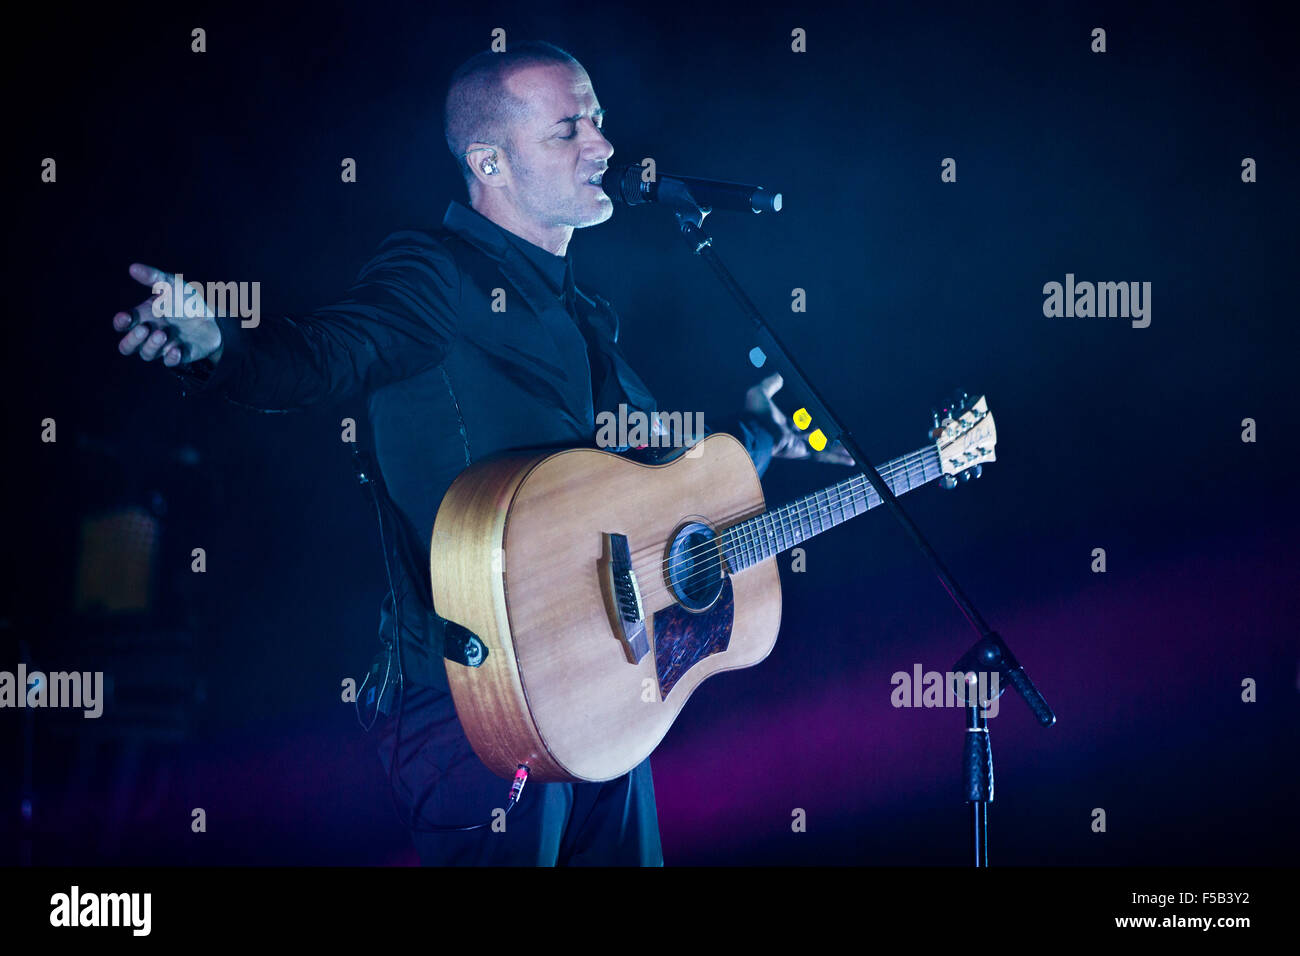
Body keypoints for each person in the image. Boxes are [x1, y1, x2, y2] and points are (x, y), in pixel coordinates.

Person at [111, 41, 849, 866]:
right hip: (478, 704)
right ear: (489, 160)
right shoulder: (436, 273)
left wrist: (759, 434)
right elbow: (327, 353)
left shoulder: (586, 314)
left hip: (601, 685)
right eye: (567, 131)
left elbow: (653, 481)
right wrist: (222, 345)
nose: (603, 147)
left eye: (598, 122)